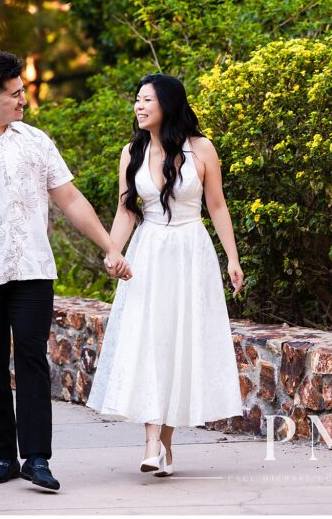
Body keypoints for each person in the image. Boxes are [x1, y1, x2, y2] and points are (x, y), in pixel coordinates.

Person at [0, 50, 129, 492]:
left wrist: (110, 246)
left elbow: (70, 198)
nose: (23, 101)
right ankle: (4, 455)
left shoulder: (36, 142)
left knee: (33, 359)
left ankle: (37, 458)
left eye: (23, 93)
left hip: (34, 270)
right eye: (16, 94)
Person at [86, 72, 245, 477]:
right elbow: (126, 211)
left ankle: (165, 445)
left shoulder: (202, 149)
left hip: (191, 252)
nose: (138, 107)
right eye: (136, 100)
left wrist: (232, 258)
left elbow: (218, 207)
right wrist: (112, 252)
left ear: (167, 105)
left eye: (147, 100)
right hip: (149, 253)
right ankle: (151, 443)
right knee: (151, 342)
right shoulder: (131, 152)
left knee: (180, 343)